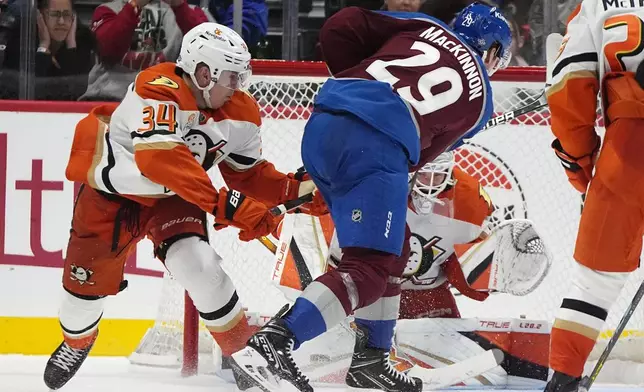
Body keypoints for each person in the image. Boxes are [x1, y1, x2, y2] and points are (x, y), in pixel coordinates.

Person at [231, 4, 512, 392]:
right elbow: (420, 156)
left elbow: (338, 28)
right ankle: (271, 346)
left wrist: (356, 85)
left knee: (393, 249)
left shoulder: (424, 25)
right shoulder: (482, 104)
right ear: (493, 51)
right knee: (368, 269)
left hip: (324, 120)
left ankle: (370, 360)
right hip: (376, 148)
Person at [42, 22, 326, 390]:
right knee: (80, 296)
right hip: (111, 197)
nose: (239, 86)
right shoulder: (156, 86)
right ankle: (77, 340)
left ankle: (246, 357)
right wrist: (224, 205)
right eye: (232, 77)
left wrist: (293, 190)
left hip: (176, 198)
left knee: (199, 265)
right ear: (204, 73)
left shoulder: (240, 112)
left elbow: (247, 176)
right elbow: (161, 161)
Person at [544, 1, 644, 391]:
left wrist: (582, 165)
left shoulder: (596, 5)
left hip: (630, 146)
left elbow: (570, 86)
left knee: (594, 282)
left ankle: (564, 380)